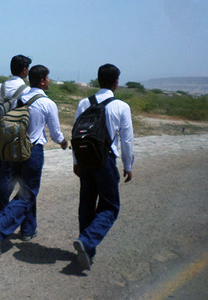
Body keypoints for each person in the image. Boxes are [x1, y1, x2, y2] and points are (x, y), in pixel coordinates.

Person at [0, 65, 68, 258]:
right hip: (33, 151)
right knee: (28, 193)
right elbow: (55, 134)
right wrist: (64, 142)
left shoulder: (19, 100)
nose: (49, 81)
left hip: (14, 150)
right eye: (48, 78)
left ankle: (28, 230)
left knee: (27, 190)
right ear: (41, 81)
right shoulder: (48, 103)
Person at [72, 64, 134, 270]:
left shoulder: (83, 103)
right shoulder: (121, 106)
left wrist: (76, 161)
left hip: (85, 159)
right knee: (110, 206)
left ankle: (86, 252)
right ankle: (87, 241)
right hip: (105, 160)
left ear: (98, 80)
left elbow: (75, 134)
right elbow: (126, 140)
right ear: (116, 82)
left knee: (86, 205)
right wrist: (128, 164)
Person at [0, 54, 31, 219]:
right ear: (25, 70)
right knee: (10, 176)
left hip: (0, 135)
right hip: (16, 138)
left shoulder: (0, 87)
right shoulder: (26, 90)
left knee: (4, 170)